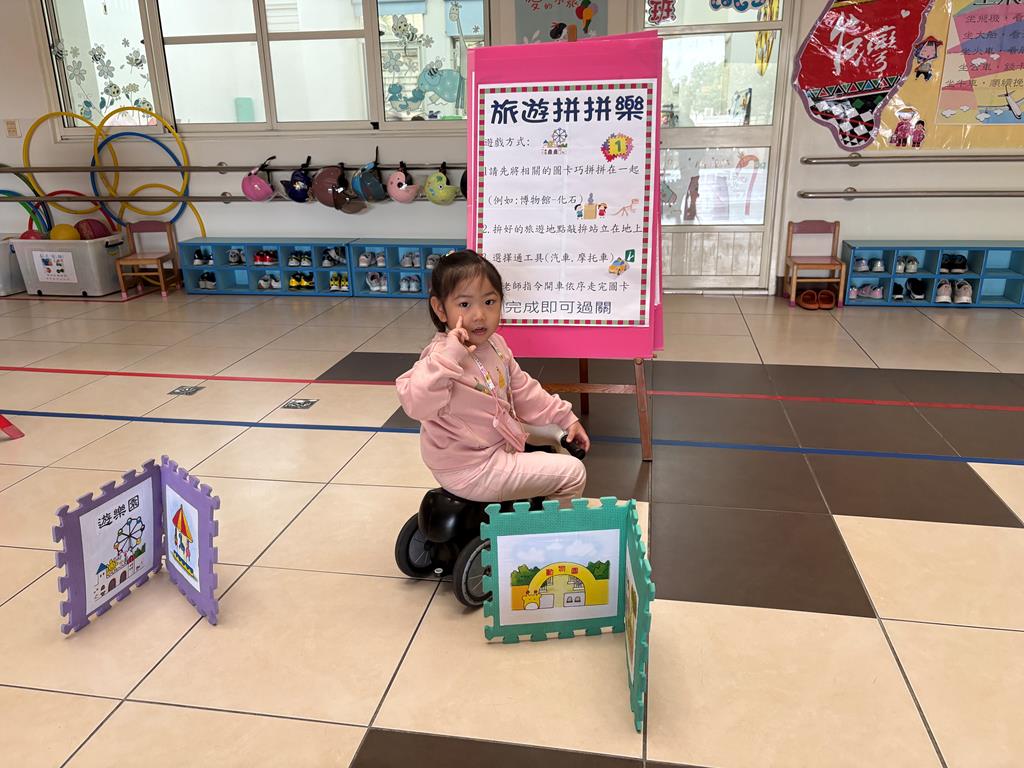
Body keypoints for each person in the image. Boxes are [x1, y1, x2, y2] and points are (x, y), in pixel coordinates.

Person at [396, 250, 589, 507]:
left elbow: (523, 390)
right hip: (471, 467)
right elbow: (416, 404)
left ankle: (537, 507)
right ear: (440, 309)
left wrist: (566, 417)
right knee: (573, 473)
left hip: (493, 442)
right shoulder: (440, 357)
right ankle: (547, 530)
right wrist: (450, 357)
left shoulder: (495, 344)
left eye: (489, 302)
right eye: (465, 305)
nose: (479, 315)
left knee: (554, 433)